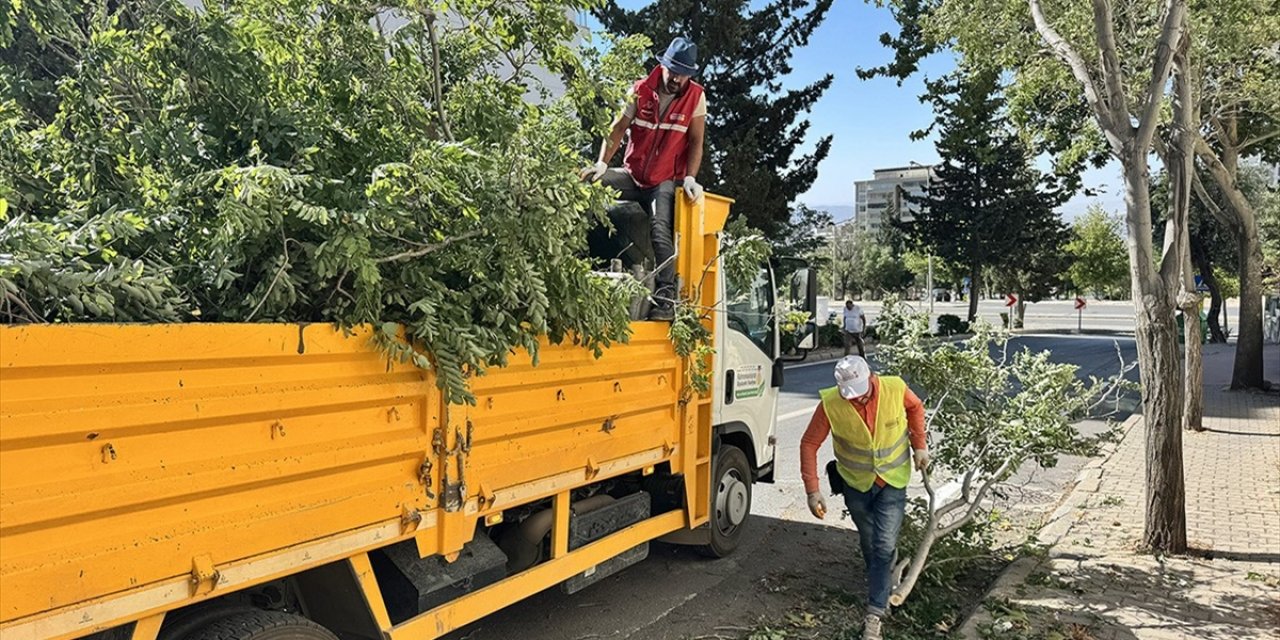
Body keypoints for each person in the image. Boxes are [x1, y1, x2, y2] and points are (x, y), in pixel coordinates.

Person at [800, 356, 930, 640]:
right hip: (855, 484)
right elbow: (809, 443)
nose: (856, 400)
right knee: (871, 544)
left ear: (871, 378)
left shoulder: (894, 388)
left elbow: (916, 407)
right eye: (851, 396)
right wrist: (813, 490)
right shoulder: (832, 403)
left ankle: (874, 614)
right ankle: (883, 585)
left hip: (892, 482)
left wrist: (920, 445)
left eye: (861, 394)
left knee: (883, 546)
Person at [580, 36, 707, 321]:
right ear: (662, 66)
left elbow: (697, 141)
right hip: (632, 174)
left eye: (684, 74)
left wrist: (690, 178)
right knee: (586, 184)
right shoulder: (640, 89)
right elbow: (617, 128)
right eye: (673, 71)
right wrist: (602, 163)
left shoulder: (696, 97)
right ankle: (572, 256)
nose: (677, 78)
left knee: (660, 230)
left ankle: (665, 298)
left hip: (662, 181)